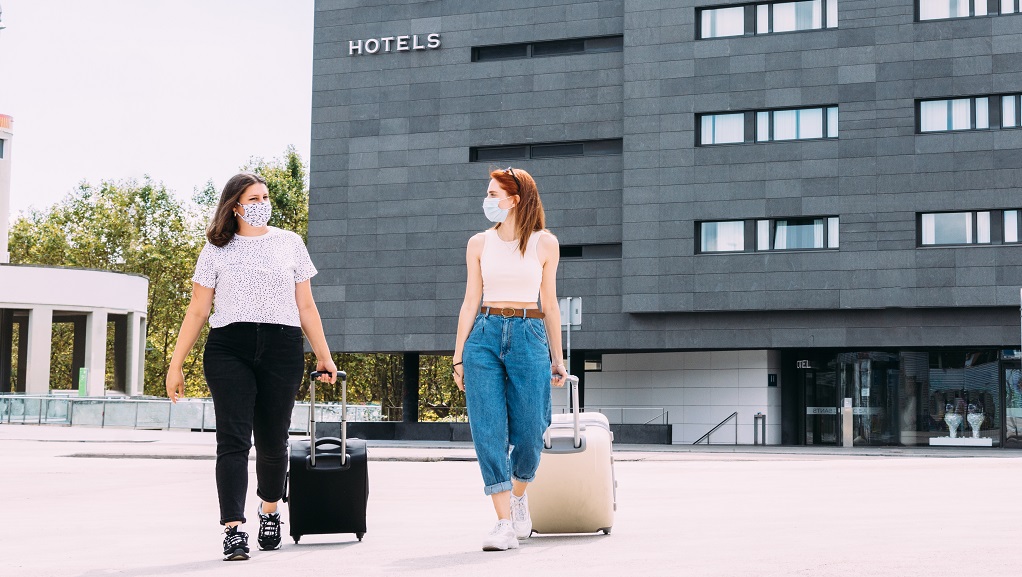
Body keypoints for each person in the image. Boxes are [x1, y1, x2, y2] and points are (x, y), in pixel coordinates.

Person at [165, 172, 337, 561]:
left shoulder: (289, 243)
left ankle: (270, 511)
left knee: (273, 442)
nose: (262, 204)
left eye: (265, 197)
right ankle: (233, 529)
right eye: (254, 198)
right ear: (235, 206)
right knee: (233, 441)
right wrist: (176, 365)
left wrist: (323, 355)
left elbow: (306, 305)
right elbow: (197, 310)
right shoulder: (215, 249)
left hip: (282, 346)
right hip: (229, 348)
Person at [452, 167, 568, 551]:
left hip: (528, 333)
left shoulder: (544, 243)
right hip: (483, 335)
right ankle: (503, 523)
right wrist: (458, 357)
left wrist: (558, 358)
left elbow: (549, 304)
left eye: (493, 194)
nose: (487, 201)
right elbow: (470, 300)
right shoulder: (478, 243)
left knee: (533, 429)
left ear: (515, 199)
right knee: (487, 430)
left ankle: (519, 494)